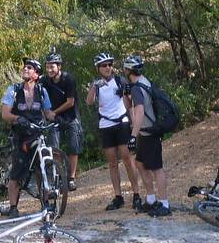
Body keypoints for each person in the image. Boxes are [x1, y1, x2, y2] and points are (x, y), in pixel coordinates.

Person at [85, 52, 141, 211]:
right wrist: (94, 87)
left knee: (127, 160)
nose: (108, 68)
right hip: (106, 125)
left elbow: (129, 102)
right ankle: (118, 196)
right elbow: (89, 102)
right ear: (98, 68)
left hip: (121, 122)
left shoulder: (120, 81)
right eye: (104, 65)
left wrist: (133, 122)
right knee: (112, 163)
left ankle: (136, 194)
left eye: (110, 64)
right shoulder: (96, 84)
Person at [1, 57, 52, 217]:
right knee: (16, 171)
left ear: (36, 74)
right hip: (20, 136)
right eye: (25, 67)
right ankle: (13, 207)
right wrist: (17, 118)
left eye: (29, 68)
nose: (25, 69)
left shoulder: (42, 92)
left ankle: (45, 203)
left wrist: (60, 119)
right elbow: (5, 113)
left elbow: (48, 112)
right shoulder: (13, 90)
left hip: (37, 134)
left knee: (40, 168)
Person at [124, 55, 170, 217]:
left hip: (148, 132)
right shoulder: (144, 82)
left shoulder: (137, 88)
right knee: (140, 163)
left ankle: (164, 203)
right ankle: (151, 199)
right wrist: (125, 95)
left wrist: (132, 136)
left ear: (128, 70)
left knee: (157, 168)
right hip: (146, 132)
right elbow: (129, 106)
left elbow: (140, 112)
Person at [40, 49, 82, 191]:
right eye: (47, 66)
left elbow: (70, 102)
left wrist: (53, 112)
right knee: (55, 148)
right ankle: (58, 176)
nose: (49, 69)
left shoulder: (68, 79)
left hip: (70, 117)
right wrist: (47, 113)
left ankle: (71, 178)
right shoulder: (45, 81)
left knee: (73, 147)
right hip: (54, 118)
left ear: (59, 66)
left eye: (52, 66)